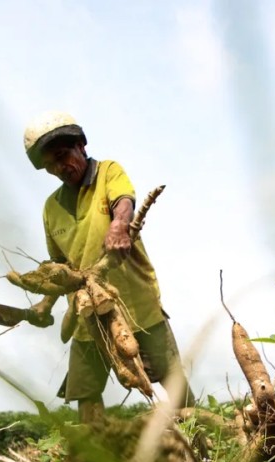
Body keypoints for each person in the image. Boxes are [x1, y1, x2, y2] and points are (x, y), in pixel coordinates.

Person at [22, 110, 196, 422]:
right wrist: (45, 303)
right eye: (49, 166)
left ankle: (201, 443)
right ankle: (97, 456)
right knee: (85, 391)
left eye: (62, 157)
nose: (60, 169)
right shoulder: (51, 208)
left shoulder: (108, 172)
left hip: (138, 307)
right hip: (87, 314)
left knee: (172, 380)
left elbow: (124, 201)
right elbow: (59, 267)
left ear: (81, 146)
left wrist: (118, 226)